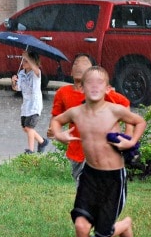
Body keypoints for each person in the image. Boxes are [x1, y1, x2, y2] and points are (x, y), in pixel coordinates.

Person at [50, 66, 146, 237]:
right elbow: (56, 121)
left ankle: (125, 225)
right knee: (81, 226)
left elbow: (139, 121)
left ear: (107, 88)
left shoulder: (114, 110)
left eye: (99, 83)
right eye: (89, 83)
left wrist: (131, 141)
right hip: (90, 175)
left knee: (102, 232)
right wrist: (59, 134)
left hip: (113, 179)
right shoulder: (76, 112)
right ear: (81, 87)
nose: (94, 86)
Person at [47, 53, 131, 182]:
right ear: (70, 71)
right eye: (76, 63)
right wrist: (54, 131)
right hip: (77, 153)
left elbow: (125, 105)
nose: (79, 66)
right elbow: (56, 118)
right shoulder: (63, 93)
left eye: (84, 63)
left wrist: (127, 136)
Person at [11, 51, 49, 154]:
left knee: (29, 127)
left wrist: (27, 56)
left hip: (35, 104)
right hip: (26, 105)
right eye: (23, 60)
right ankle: (42, 141)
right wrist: (13, 81)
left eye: (26, 61)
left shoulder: (36, 73)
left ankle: (30, 151)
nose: (24, 62)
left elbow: (35, 68)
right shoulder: (21, 73)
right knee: (25, 128)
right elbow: (17, 88)